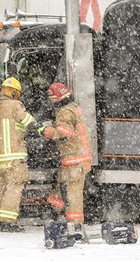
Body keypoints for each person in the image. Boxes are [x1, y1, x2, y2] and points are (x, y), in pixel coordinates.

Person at [37, 82, 92, 227]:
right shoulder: (73, 108)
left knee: (73, 194)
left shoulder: (64, 112)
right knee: (62, 189)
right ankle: (53, 210)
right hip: (77, 158)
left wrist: (45, 130)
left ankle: (75, 224)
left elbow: (65, 133)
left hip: (75, 159)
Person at [0, 77, 38, 233]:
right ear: (14, 93)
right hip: (14, 157)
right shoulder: (16, 105)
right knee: (14, 187)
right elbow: (29, 122)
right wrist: (41, 128)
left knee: (0, 189)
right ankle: (7, 221)